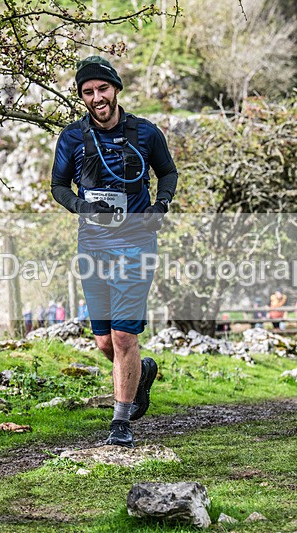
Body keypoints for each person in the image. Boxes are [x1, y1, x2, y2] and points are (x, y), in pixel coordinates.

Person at [51, 56, 177, 447]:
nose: (96, 97)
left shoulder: (146, 133)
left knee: (123, 337)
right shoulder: (72, 138)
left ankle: (120, 423)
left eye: (102, 89)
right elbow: (58, 187)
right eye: (88, 92)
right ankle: (141, 374)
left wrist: (160, 206)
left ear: (116, 89)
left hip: (136, 244)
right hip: (92, 246)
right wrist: (81, 207)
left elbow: (167, 172)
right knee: (105, 342)